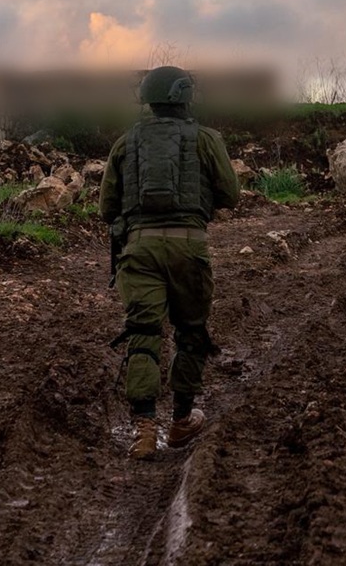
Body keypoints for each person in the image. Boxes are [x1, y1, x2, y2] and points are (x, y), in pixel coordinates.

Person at [101, 66, 241, 460]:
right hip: (188, 247)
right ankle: (181, 420)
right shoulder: (206, 139)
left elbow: (106, 208)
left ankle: (144, 430)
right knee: (191, 331)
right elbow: (230, 194)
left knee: (143, 332)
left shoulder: (126, 142)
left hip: (139, 250)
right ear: (185, 96)